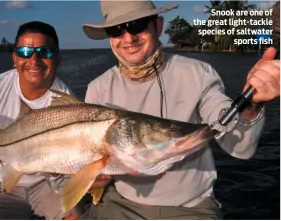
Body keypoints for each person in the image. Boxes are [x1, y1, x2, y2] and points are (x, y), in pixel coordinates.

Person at [80, 0, 280, 219]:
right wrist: (91, 177)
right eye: (117, 30)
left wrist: (251, 104)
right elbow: (92, 163)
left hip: (190, 209)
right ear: (110, 37)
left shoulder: (199, 73)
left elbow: (238, 145)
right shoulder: (97, 88)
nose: (129, 38)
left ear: (158, 26)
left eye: (137, 25)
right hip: (120, 203)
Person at [0, 21, 78, 220]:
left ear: (58, 57)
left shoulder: (67, 100)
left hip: (47, 183)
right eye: (24, 52)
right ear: (14, 58)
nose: (34, 60)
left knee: (75, 216)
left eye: (44, 52)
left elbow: (67, 166)